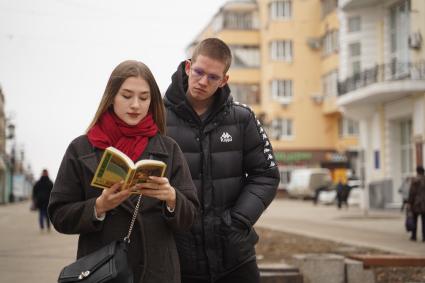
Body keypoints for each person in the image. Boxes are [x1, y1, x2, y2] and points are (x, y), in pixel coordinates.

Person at [48, 60, 199, 283]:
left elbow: (191, 216)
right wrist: (99, 207)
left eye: (144, 97)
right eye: (127, 96)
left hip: (157, 272)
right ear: (111, 97)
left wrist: (172, 198)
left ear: (152, 101)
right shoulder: (81, 149)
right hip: (102, 272)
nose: (135, 105)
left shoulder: (168, 148)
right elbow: (59, 215)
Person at [164, 38, 280, 283]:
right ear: (187, 67)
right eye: (199, 72)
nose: (203, 82)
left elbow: (266, 174)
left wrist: (238, 221)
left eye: (213, 77)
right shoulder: (157, 118)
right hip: (178, 256)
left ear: (224, 80)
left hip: (235, 256)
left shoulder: (242, 118)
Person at [407, 165, 425, 242]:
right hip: (424, 203)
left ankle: (414, 236)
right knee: (424, 221)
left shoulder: (414, 181)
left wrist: (409, 203)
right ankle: (424, 237)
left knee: (414, 220)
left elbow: (411, 193)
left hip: (416, 203)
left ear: (417, 171)